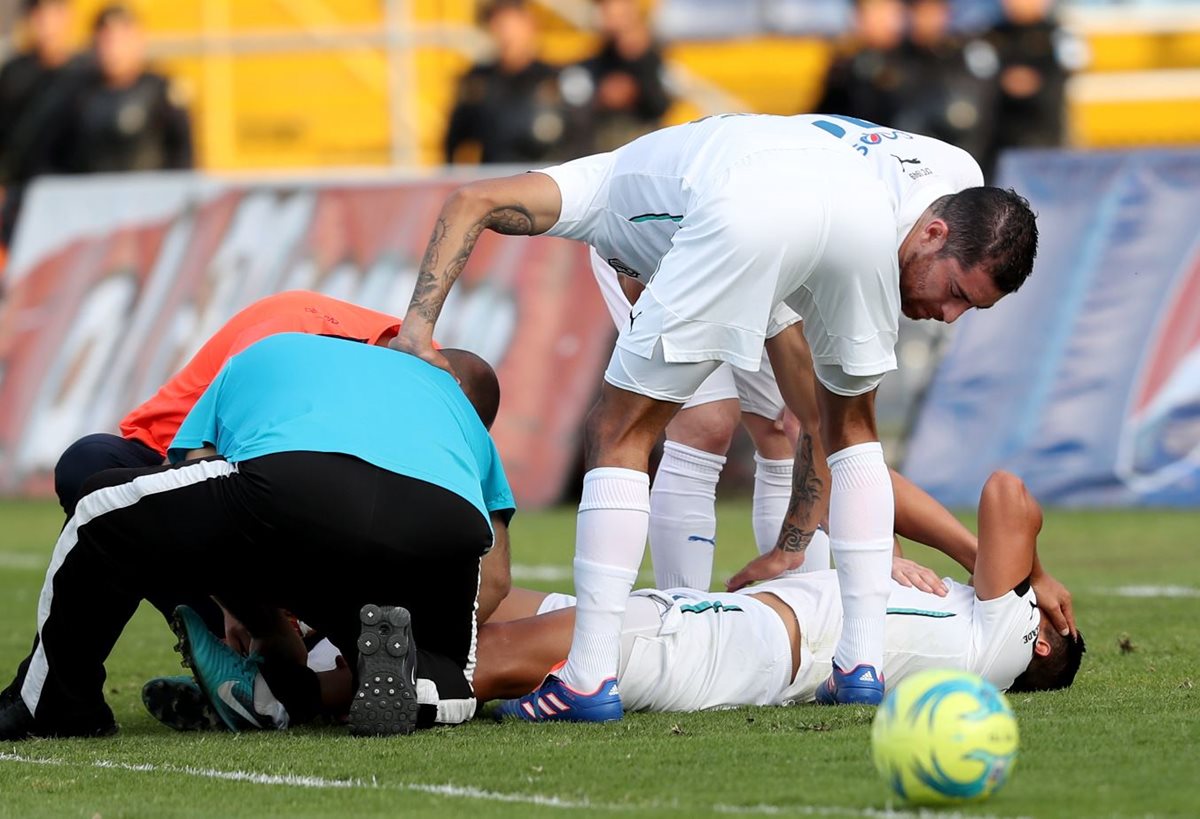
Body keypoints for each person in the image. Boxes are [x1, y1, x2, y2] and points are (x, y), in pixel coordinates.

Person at [392, 111, 1040, 719]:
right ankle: (858, 663)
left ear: (935, 232)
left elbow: (470, 201)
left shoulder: (604, 189)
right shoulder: (954, 183)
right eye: (954, 294)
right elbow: (811, 405)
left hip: (752, 211)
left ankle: (589, 676)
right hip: (846, 214)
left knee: (620, 431)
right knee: (839, 427)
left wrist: (420, 330)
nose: (947, 315)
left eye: (963, 302)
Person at [0, 332, 515, 741]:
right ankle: (429, 684)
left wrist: (259, 621)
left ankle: (59, 704)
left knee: (99, 507)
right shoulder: (463, 419)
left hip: (299, 485)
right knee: (448, 665)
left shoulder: (280, 347)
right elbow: (496, 576)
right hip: (442, 522)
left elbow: (197, 480)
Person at [479, 471, 1084, 713]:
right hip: (707, 623)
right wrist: (881, 564)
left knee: (488, 656)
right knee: (481, 602)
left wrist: (1036, 576)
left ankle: (412, 688)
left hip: (718, 641)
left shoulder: (1004, 644)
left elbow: (1008, 494)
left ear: (1040, 643)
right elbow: (872, 478)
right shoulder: (962, 616)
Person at [53, 290, 409, 517]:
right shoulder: (290, 337)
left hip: (251, 467)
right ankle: (211, 619)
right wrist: (235, 608)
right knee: (91, 464)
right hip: (175, 458)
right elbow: (200, 456)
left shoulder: (425, 366)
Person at [43, 3, 192, 176]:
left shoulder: (161, 93)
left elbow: (182, 156)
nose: (113, 49)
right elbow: (55, 156)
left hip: (149, 197)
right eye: (106, 41)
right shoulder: (76, 96)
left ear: (139, 41)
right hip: (90, 197)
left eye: (122, 39)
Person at [0, 0, 87, 246]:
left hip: (76, 197)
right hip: (23, 196)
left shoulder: (87, 72)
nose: (45, 23)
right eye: (38, 14)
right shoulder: (14, 73)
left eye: (52, 13)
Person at [444, 0, 566, 164]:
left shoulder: (554, 78)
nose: (506, 33)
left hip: (542, 179)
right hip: (495, 180)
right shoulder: (477, 80)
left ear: (529, 24)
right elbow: (455, 139)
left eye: (511, 24)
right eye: (499, 24)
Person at [983, 0, 1084, 179]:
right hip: (998, 141)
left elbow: (1065, 74)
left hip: (1044, 138)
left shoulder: (1060, 35)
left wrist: (1034, 84)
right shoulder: (991, 37)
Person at [560, 0, 670, 156]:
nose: (605, 12)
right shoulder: (596, 62)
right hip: (602, 154)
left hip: (644, 154)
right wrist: (599, 99)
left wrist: (635, 92)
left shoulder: (655, 59)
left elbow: (661, 105)